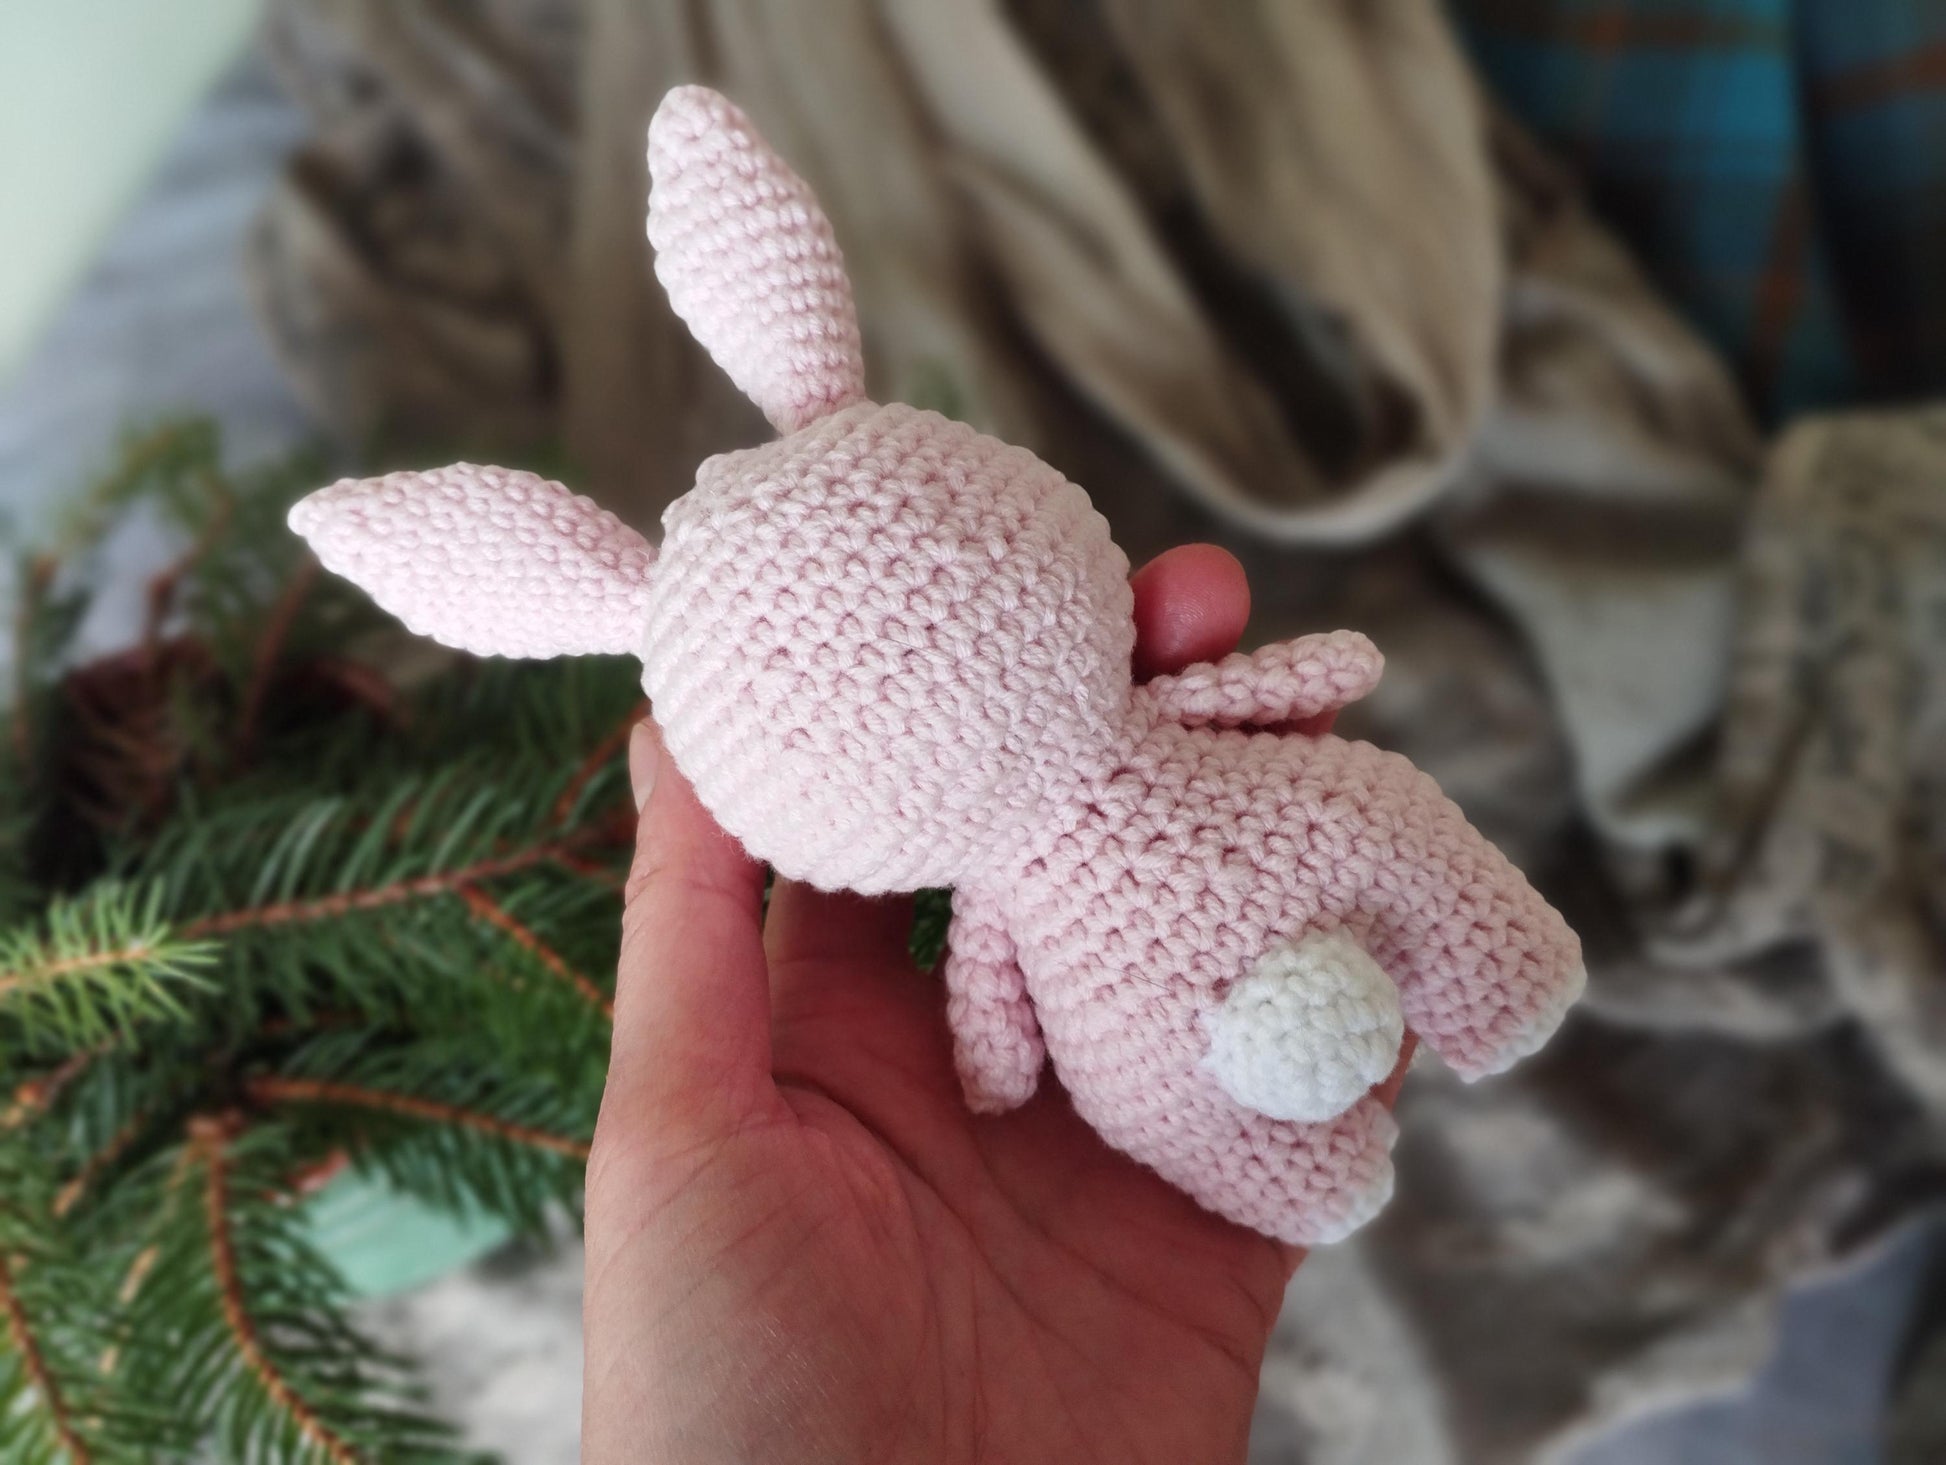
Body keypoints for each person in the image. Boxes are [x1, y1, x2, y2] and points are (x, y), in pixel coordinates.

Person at [580, 544, 1414, 1464]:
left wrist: (997, 1072)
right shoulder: (1003, 858)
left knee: (1391, 877)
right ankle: (1349, 1144)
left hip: (1168, 1011)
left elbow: (996, 1045)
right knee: (1381, 875)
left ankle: (1428, 1056)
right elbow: (992, 1027)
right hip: (1171, 1030)